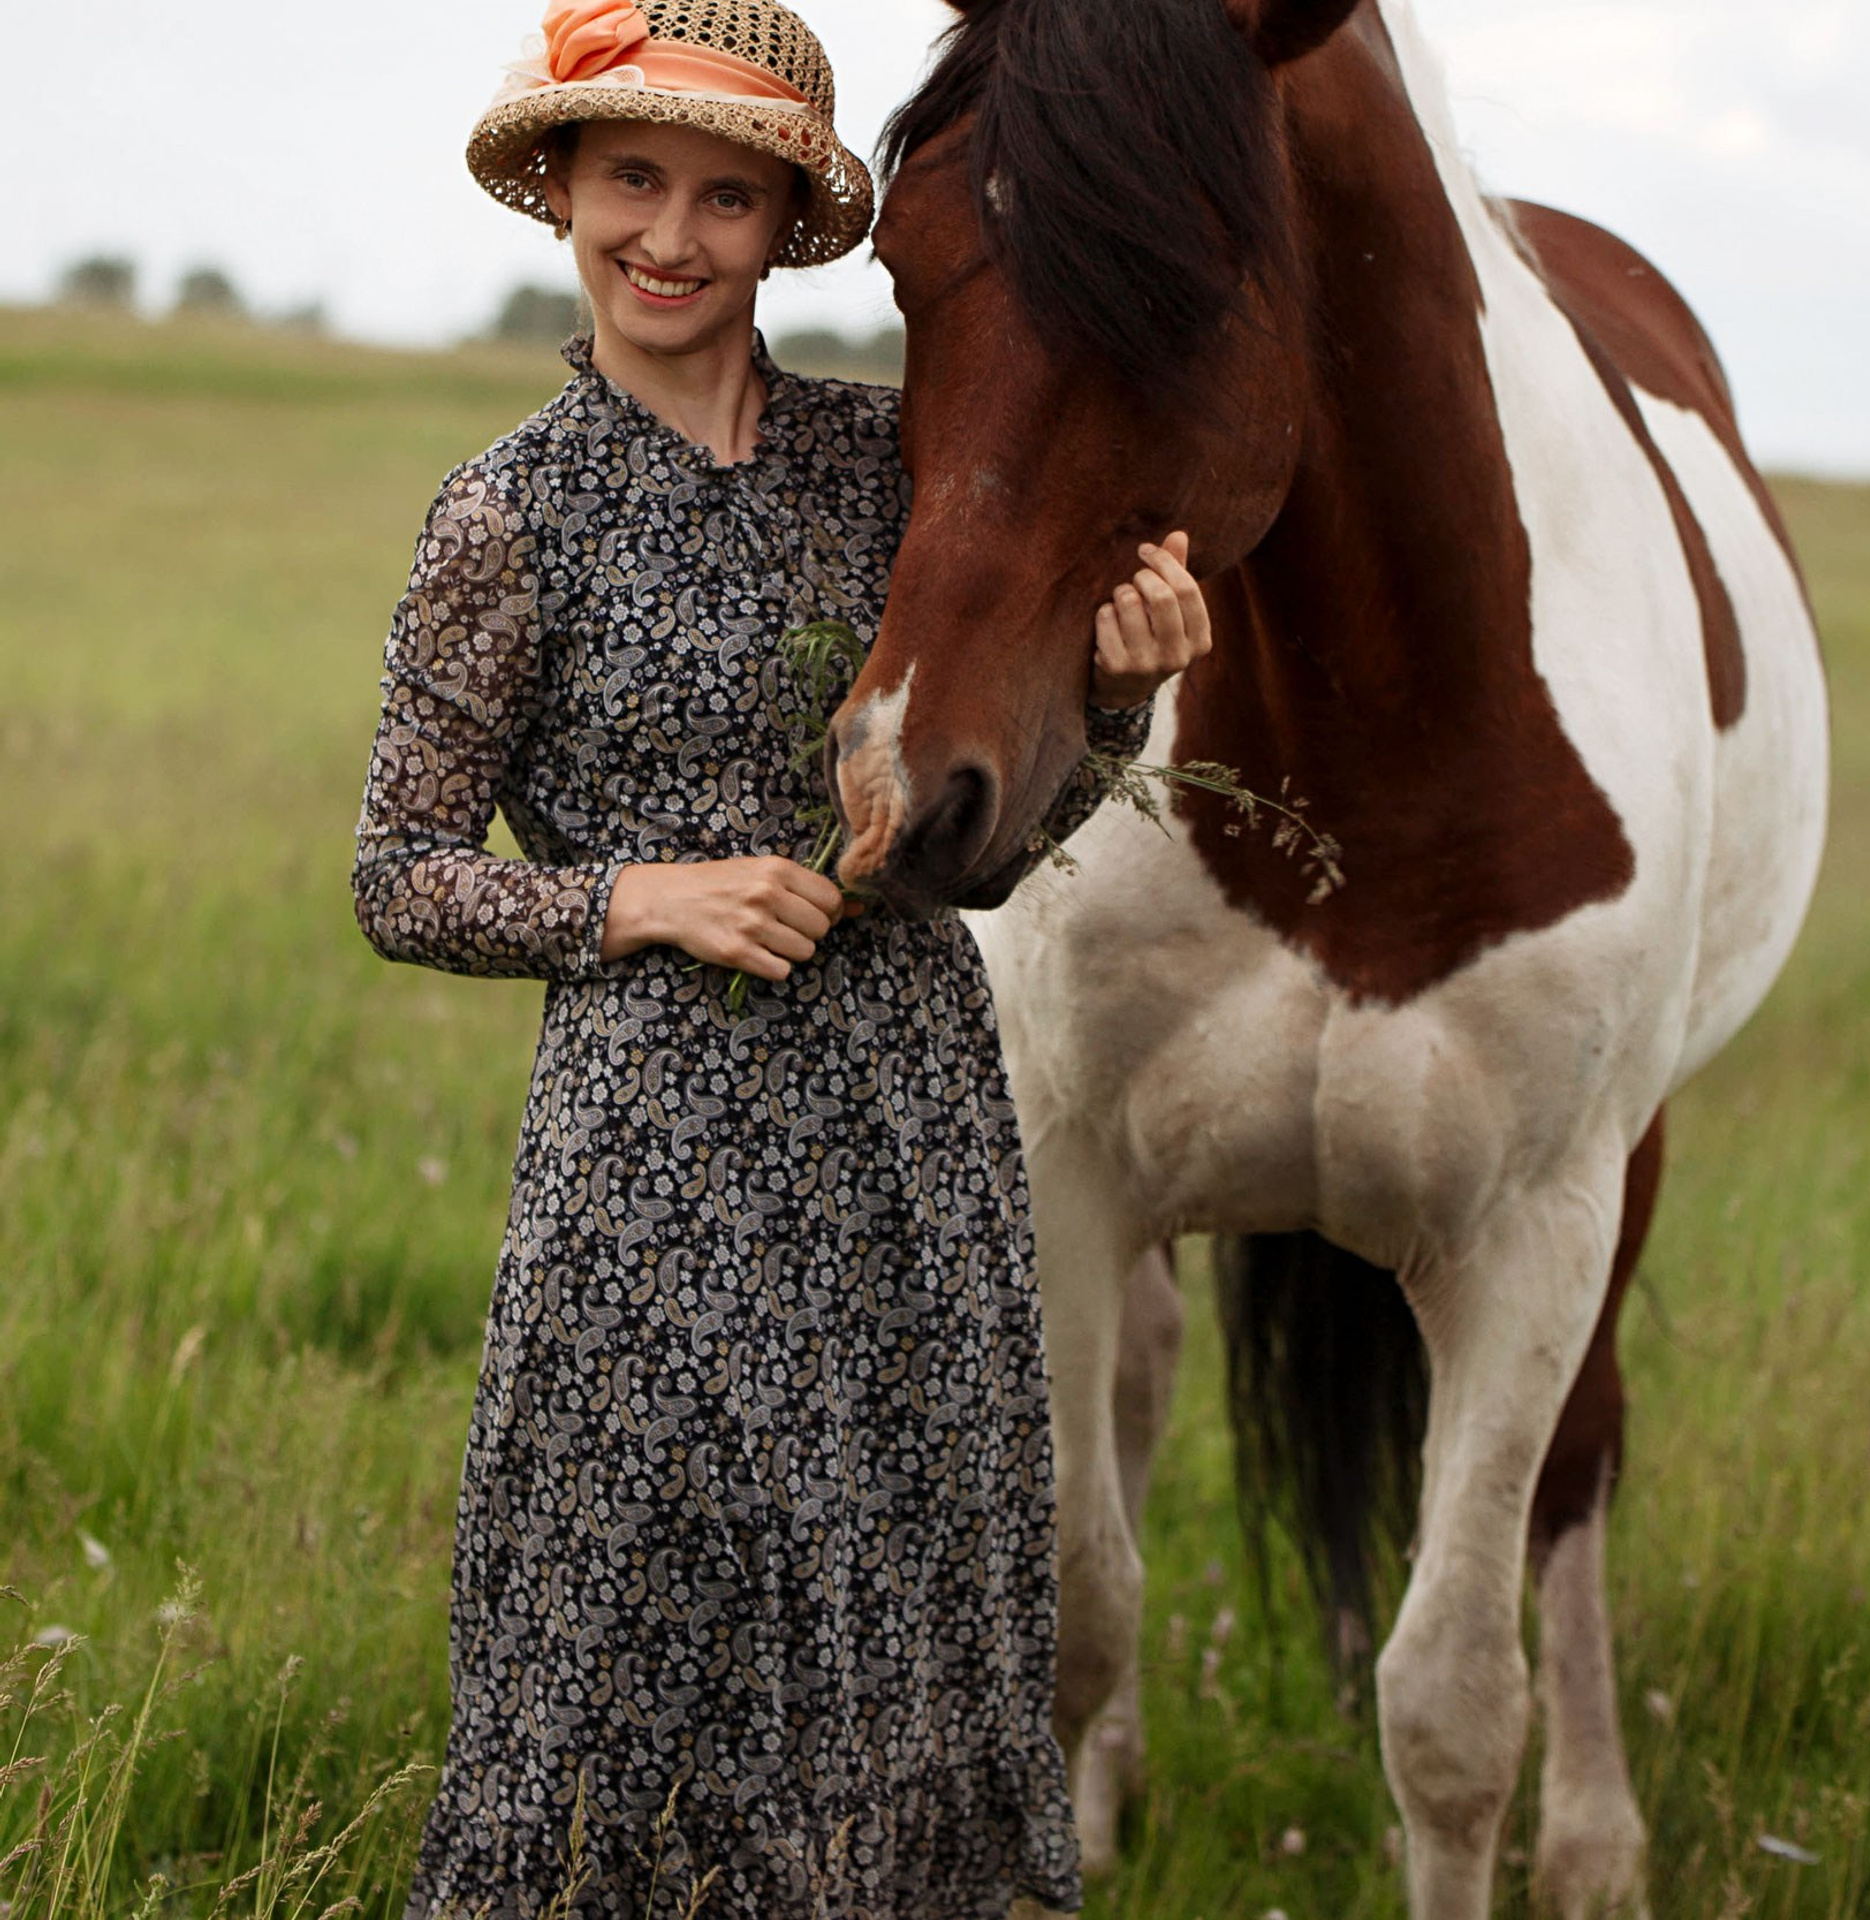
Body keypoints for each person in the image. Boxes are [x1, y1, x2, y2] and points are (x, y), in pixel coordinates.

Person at [352, 3, 1213, 1914]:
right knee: (629, 1626)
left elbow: (973, 868)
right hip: (646, 1177)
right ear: (563, 194)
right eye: (633, 181)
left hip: (913, 1148)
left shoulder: (885, 469)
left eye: (724, 197)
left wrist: (1127, 708)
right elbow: (397, 873)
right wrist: (633, 900)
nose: (670, 234)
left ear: (780, 230)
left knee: (902, 1627)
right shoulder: (507, 518)